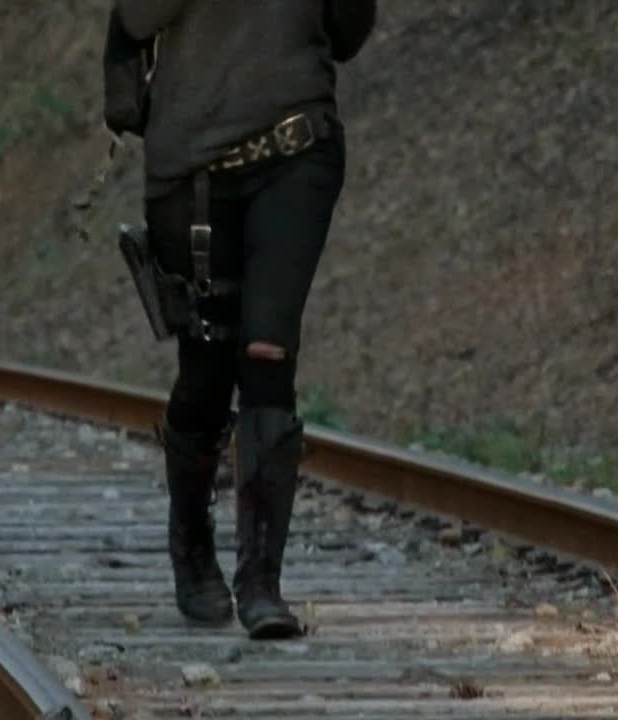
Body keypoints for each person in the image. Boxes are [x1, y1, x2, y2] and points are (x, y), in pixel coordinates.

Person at [112, 0, 377, 639]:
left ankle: (261, 583)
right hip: (190, 167)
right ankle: (191, 542)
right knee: (206, 365)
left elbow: (348, 31)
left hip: (295, 148)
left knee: (267, 348)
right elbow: (138, 18)